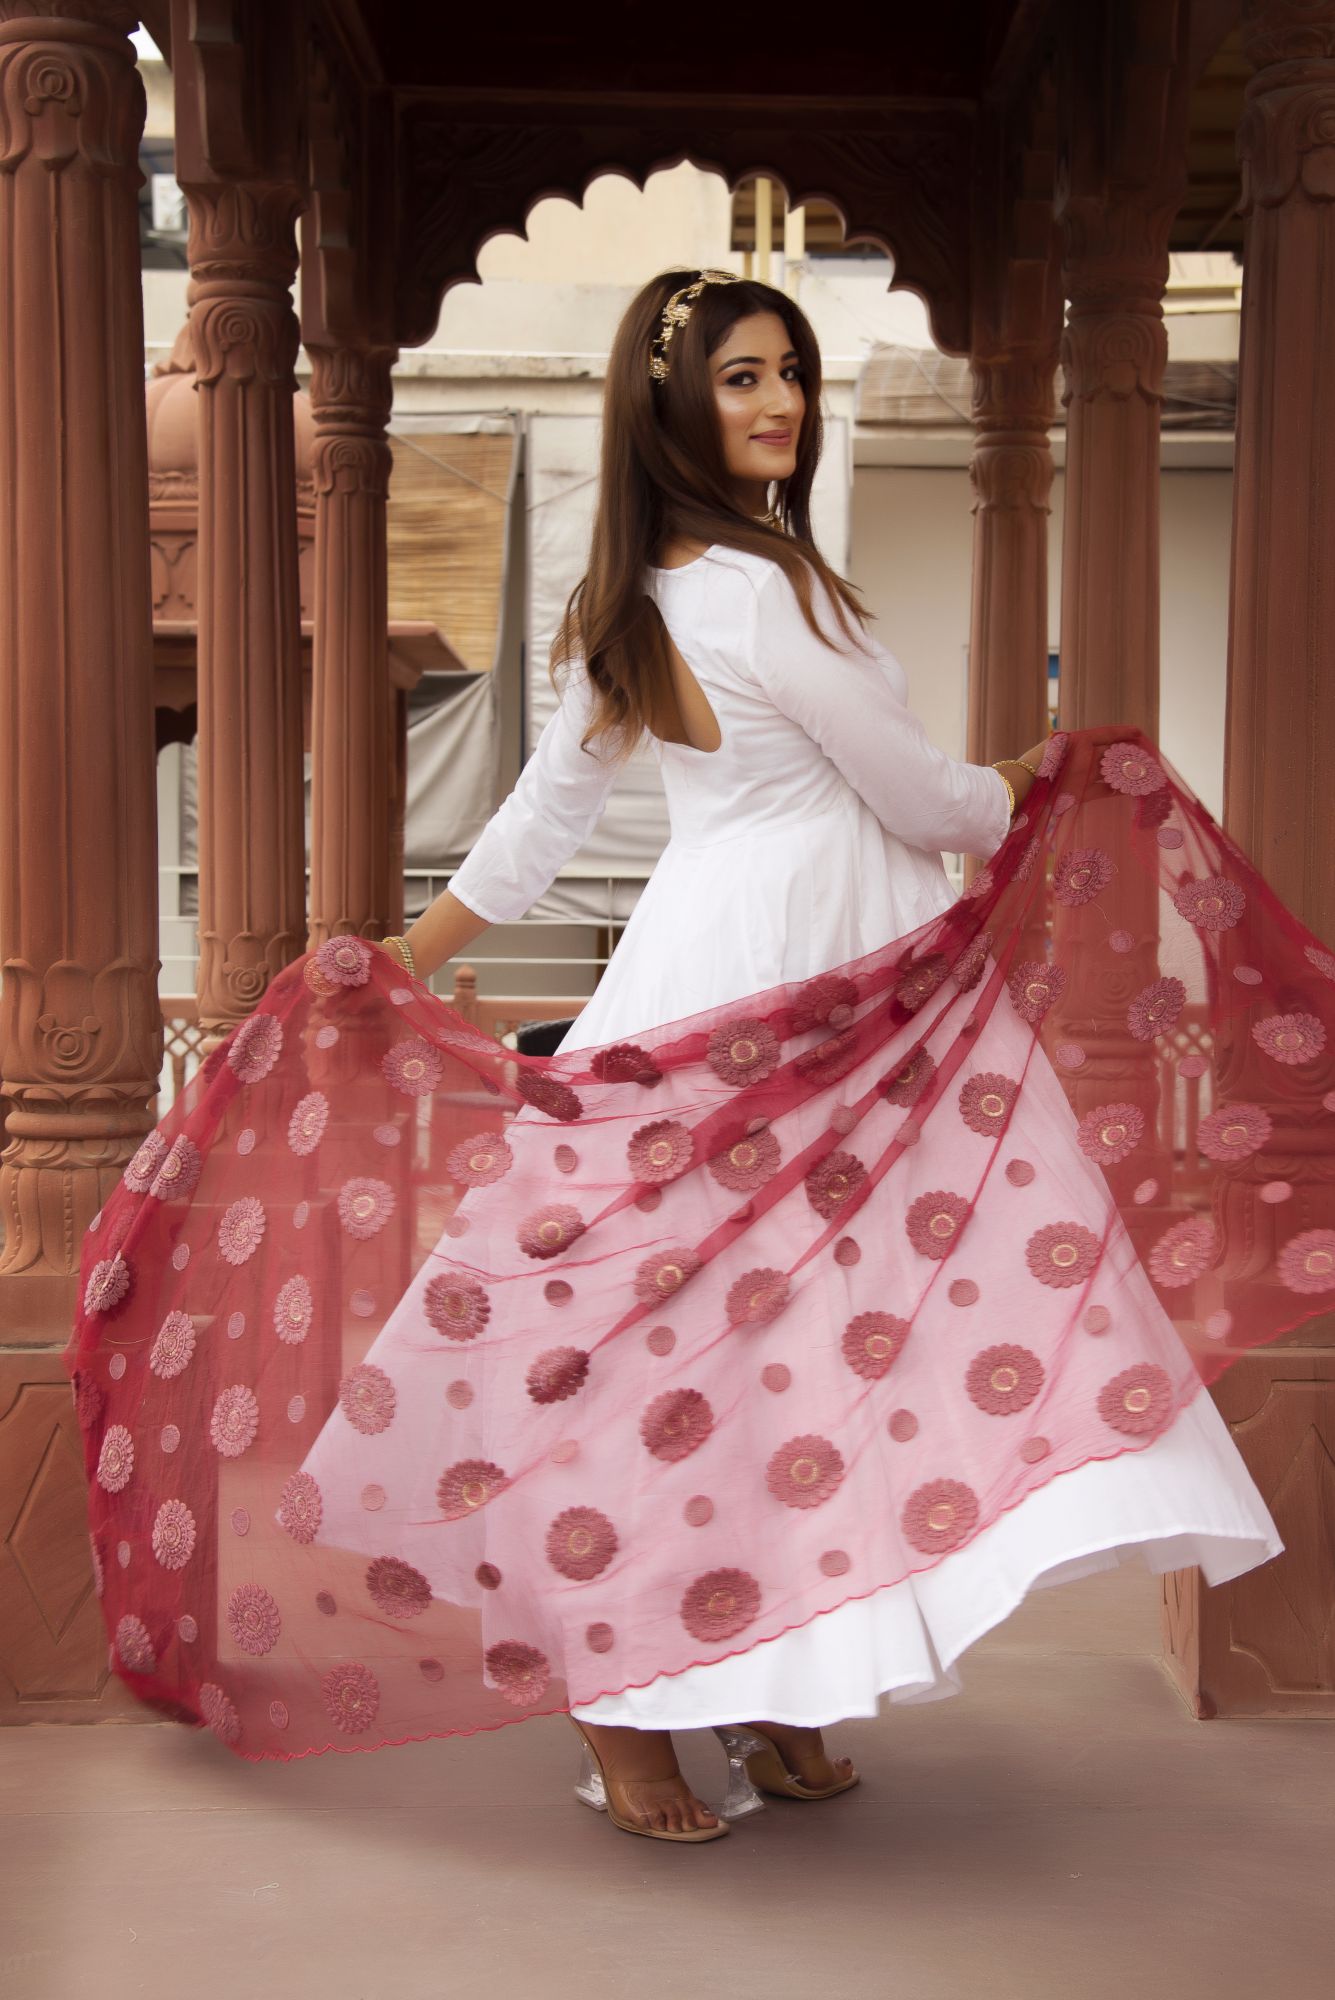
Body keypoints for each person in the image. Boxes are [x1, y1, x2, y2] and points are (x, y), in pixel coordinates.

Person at [345, 270, 1274, 1841]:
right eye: (741, 379)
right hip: (807, 978)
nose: (780, 402)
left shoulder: (653, 595)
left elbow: (539, 824)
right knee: (777, 1340)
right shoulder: (758, 594)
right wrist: (1030, 774)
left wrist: (404, 957)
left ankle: (765, 1684)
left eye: (789, 370)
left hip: (750, 959)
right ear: (673, 406)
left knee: (742, 1345)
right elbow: (917, 801)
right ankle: (632, 1707)